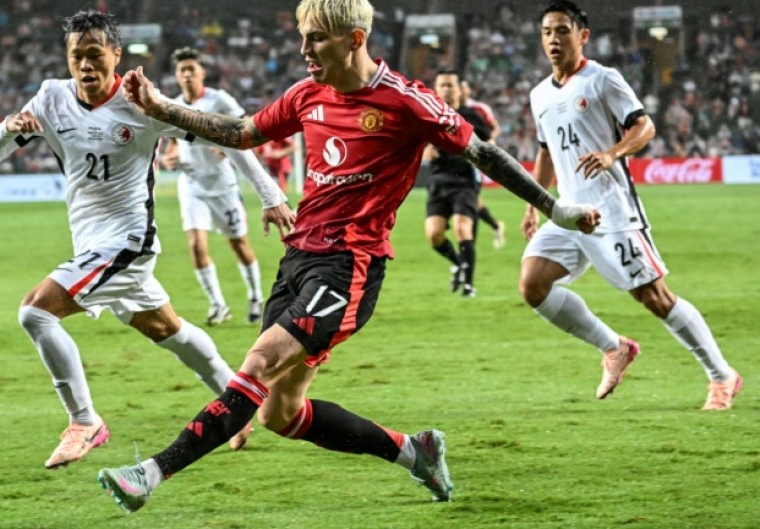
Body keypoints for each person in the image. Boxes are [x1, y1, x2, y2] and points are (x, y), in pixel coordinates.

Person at [97, 0, 599, 513]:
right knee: (278, 413)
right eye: (303, 37)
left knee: (258, 362)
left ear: (354, 40)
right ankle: (413, 452)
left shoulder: (405, 100)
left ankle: (150, 473)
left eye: (316, 38)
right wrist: (164, 110)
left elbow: (483, 153)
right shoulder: (306, 94)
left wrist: (555, 208)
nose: (303, 49)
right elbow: (243, 133)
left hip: (349, 266)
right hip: (297, 260)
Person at [0, 10, 295, 469]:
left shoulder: (143, 103)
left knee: (35, 311)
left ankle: (84, 422)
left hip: (128, 242)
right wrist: (8, 128)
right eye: (76, 56)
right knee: (167, 329)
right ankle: (238, 406)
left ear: (116, 55)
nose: (85, 66)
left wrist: (270, 195)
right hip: (90, 244)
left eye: (94, 55)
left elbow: (227, 138)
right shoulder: (51, 97)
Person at [519, 0, 742, 410]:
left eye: (562, 31)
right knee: (533, 284)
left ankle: (721, 376)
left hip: (612, 211)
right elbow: (547, 151)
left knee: (655, 297)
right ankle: (614, 348)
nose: (554, 39)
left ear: (582, 36)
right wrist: (535, 203)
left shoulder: (604, 79)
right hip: (569, 211)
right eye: (548, 31)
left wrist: (611, 152)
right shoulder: (539, 95)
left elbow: (645, 127)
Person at [161, 47, 286, 326]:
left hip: (223, 186)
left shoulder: (220, 100)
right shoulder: (173, 105)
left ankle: (255, 296)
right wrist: (169, 159)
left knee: (239, 244)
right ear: (177, 75)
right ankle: (218, 304)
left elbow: (245, 128)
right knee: (195, 244)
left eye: (192, 69)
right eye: (182, 70)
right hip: (192, 186)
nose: (187, 75)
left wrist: (230, 145)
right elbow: (170, 143)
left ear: (202, 72)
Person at [422, 70, 493, 297]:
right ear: (436, 88)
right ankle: (458, 264)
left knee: (463, 230)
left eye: (450, 85)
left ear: (459, 89)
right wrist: (423, 150)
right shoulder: (427, 116)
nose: (446, 89)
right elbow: (414, 142)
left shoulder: (471, 116)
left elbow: (488, 141)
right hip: (438, 181)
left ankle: (469, 286)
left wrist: (475, 153)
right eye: (442, 85)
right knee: (434, 235)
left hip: (464, 181)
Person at [461, 79, 506, 249]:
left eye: (464, 87)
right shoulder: (447, 106)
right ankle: (495, 226)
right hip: (454, 161)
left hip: (473, 159)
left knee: (471, 203)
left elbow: (495, 127)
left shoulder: (479, 109)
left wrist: (491, 140)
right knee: (473, 202)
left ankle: (468, 249)